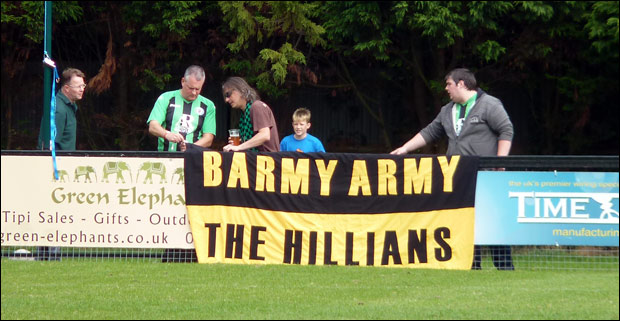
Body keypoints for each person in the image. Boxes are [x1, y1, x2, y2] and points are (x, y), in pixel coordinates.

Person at [390, 68, 515, 270]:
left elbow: (506, 129)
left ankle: (504, 268)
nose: (446, 88)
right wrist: (405, 148)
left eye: (448, 84)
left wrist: (501, 163)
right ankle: (471, 266)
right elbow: (430, 132)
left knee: (492, 223)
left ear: (462, 84)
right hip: (457, 178)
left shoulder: (489, 104)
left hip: (486, 177)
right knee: (464, 222)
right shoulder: (447, 110)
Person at [147, 65, 216, 262]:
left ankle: (192, 251)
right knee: (168, 205)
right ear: (182, 82)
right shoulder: (166, 99)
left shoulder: (208, 105)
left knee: (192, 205)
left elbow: (209, 138)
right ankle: (170, 250)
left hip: (193, 163)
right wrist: (167, 134)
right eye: (191, 88)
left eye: (198, 89)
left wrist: (192, 146)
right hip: (166, 163)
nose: (194, 93)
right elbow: (153, 126)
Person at [36, 67, 87, 261]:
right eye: (79, 86)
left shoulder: (68, 106)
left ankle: (49, 252)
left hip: (62, 166)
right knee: (51, 209)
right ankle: (49, 253)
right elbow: (50, 142)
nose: (82, 89)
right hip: (55, 168)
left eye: (84, 85)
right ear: (66, 88)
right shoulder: (58, 107)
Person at [221, 77, 280, 152]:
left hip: (267, 161)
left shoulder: (257, 106)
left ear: (241, 90)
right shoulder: (244, 113)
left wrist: (239, 147)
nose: (226, 100)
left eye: (228, 94)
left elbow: (264, 135)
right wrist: (237, 144)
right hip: (255, 160)